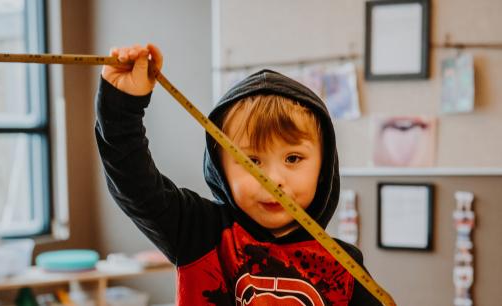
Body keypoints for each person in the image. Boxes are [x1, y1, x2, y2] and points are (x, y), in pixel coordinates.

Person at [95, 43, 383, 305]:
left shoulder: (343, 266)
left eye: (293, 158)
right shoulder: (199, 232)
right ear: (221, 169)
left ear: (323, 169)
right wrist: (122, 107)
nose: (273, 180)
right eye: (251, 161)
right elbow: (134, 185)